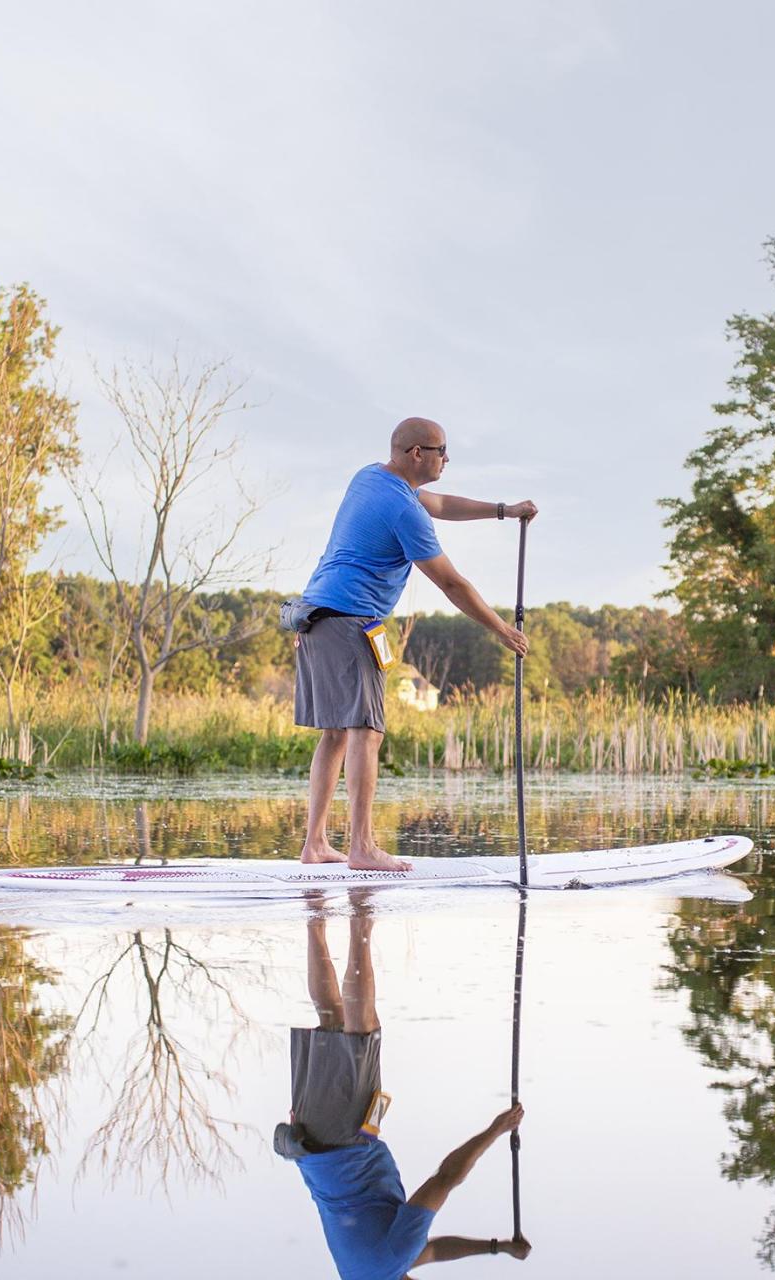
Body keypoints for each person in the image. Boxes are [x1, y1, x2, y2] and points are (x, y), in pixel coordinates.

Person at [293, 417, 535, 872]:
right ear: (416, 454)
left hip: (316, 616)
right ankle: (362, 847)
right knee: (365, 731)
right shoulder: (402, 511)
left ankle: (316, 844)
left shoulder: (370, 478)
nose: (447, 459)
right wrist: (502, 630)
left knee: (335, 733)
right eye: (442, 450)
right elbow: (451, 583)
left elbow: (441, 503)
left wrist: (504, 510)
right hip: (350, 622)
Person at [276, 898, 533, 1278]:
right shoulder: (372, 1273)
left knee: (362, 1028)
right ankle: (315, 917)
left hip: (344, 1138)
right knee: (332, 1016)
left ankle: (360, 918)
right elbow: (433, 1251)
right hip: (318, 1143)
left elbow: (444, 1178)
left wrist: (497, 1128)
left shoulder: (392, 1261)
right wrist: (495, 1247)